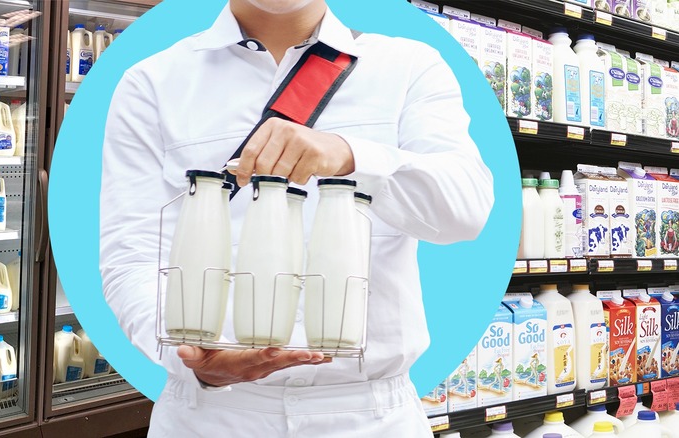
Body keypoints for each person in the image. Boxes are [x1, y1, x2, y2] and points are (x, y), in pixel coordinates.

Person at [100, 0, 494, 436]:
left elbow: (466, 210)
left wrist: (351, 155)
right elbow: (130, 254)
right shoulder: (153, 81)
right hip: (212, 416)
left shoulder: (408, 65)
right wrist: (192, 358)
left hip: (370, 416)